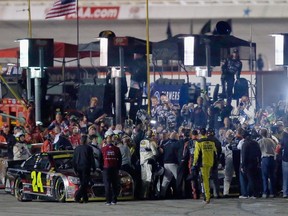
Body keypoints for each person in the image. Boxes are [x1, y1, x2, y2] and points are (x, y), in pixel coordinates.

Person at [192, 128, 217, 204]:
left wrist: (194, 163)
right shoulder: (211, 142)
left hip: (203, 163)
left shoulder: (199, 142)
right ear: (206, 133)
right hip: (210, 162)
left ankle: (207, 197)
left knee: (205, 180)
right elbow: (215, 152)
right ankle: (208, 195)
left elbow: (196, 155)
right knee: (207, 179)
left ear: (200, 134)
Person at [73, 135, 96, 203]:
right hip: (86, 167)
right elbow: (92, 159)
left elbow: (74, 159)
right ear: (86, 140)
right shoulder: (89, 148)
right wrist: (94, 168)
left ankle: (85, 198)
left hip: (78, 167)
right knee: (85, 183)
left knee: (83, 182)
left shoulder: (77, 148)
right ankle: (77, 196)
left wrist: (74, 168)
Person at [101, 130, 122, 205]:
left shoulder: (103, 149)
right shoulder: (117, 149)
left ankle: (108, 201)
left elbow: (100, 160)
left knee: (108, 185)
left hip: (107, 169)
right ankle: (114, 200)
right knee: (114, 185)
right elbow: (120, 159)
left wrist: (102, 168)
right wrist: (118, 168)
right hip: (113, 168)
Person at [258, 128, 277, 198]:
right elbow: (275, 148)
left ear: (261, 134)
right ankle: (272, 192)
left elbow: (259, 150)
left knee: (265, 176)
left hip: (265, 158)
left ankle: (265, 192)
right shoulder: (271, 141)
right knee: (272, 176)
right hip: (272, 158)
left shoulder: (260, 141)